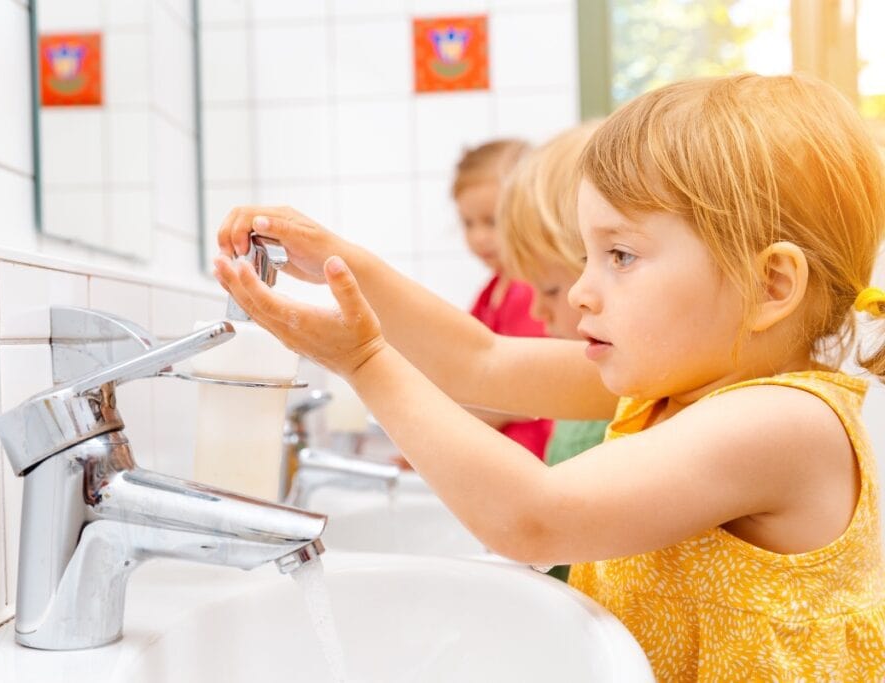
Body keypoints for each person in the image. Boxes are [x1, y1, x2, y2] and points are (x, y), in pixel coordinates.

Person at [213, 73, 885, 679]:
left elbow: (534, 518)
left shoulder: (786, 423)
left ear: (770, 285)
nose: (584, 292)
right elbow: (480, 360)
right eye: (588, 256)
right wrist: (338, 260)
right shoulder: (669, 382)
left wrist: (362, 361)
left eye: (620, 254)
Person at [495, 122, 609, 583]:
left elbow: (480, 360)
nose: (539, 312)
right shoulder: (596, 372)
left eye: (548, 288)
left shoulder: (627, 384)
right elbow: (478, 359)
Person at [453, 139, 553, 460]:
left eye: (491, 222)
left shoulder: (530, 290)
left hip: (536, 456)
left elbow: (527, 392)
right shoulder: (492, 289)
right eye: (468, 223)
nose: (478, 237)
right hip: (508, 458)